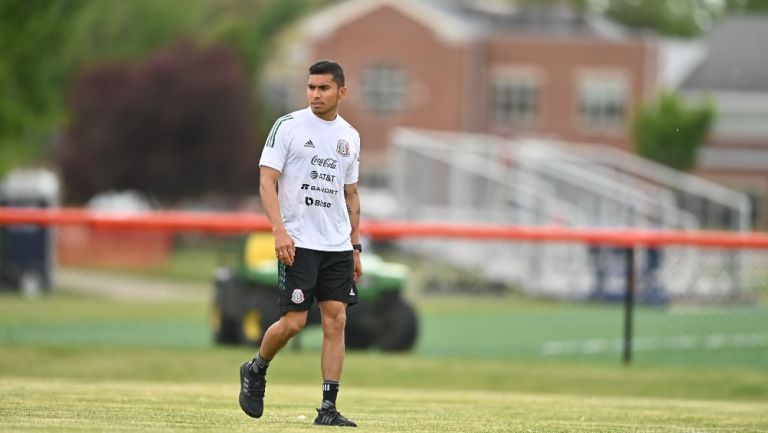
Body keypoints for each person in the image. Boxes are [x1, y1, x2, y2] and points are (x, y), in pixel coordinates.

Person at [239, 59, 362, 428]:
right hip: (299, 243)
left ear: (341, 92)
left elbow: (351, 195)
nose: (315, 94)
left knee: (336, 320)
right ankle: (256, 368)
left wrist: (355, 247)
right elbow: (266, 182)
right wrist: (279, 231)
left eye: (323, 88)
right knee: (293, 324)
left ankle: (327, 408)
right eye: (311, 87)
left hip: (338, 246)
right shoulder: (288, 126)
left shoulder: (350, 136)